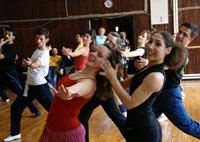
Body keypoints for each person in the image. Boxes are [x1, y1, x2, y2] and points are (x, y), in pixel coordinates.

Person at [100, 30, 187, 142]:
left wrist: (112, 78)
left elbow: (130, 104)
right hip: (134, 127)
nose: (150, 46)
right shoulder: (146, 69)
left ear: (168, 50)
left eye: (158, 44)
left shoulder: (156, 76)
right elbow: (121, 86)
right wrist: (108, 74)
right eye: (150, 41)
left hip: (145, 132)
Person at [39, 43, 121, 142]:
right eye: (95, 51)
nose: (93, 54)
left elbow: (76, 90)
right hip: (50, 129)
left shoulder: (89, 83)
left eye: (99, 55)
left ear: (105, 65)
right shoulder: (78, 73)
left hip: (68, 134)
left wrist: (68, 93)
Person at [4, 28, 54, 142]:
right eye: (37, 38)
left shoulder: (44, 54)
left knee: (53, 110)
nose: (38, 41)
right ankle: (15, 133)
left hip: (40, 86)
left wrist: (31, 64)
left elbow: (37, 64)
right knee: (15, 108)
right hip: (30, 86)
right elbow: (44, 51)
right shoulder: (41, 49)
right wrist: (48, 48)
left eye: (41, 39)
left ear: (46, 39)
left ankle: (68, 132)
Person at [152, 22, 200, 139]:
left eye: (185, 35)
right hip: (159, 92)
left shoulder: (181, 53)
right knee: (143, 121)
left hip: (169, 95)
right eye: (180, 32)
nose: (180, 36)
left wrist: (147, 65)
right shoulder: (174, 48)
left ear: (191, 39)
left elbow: (162, 66)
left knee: (187, 125)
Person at [78, 31, 128, 142]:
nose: (108, 42)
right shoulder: (102, 52)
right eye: (107, 40)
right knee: (82, 116)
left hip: (103, 92)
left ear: (118, 46)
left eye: (111, 41)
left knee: (116, 117)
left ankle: (136, 138)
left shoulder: (114, 60)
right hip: (96, 90)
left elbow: (115, 79)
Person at [0, 27, 40, 115]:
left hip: (9, 74)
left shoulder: (11, 47)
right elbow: (15, 56)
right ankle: (5, 97)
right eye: (6, 34)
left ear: (13, 37)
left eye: (9, 35)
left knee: (22, 93)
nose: (6, 36)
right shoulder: (6, 45)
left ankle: (36, 109)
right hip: (2, 73)